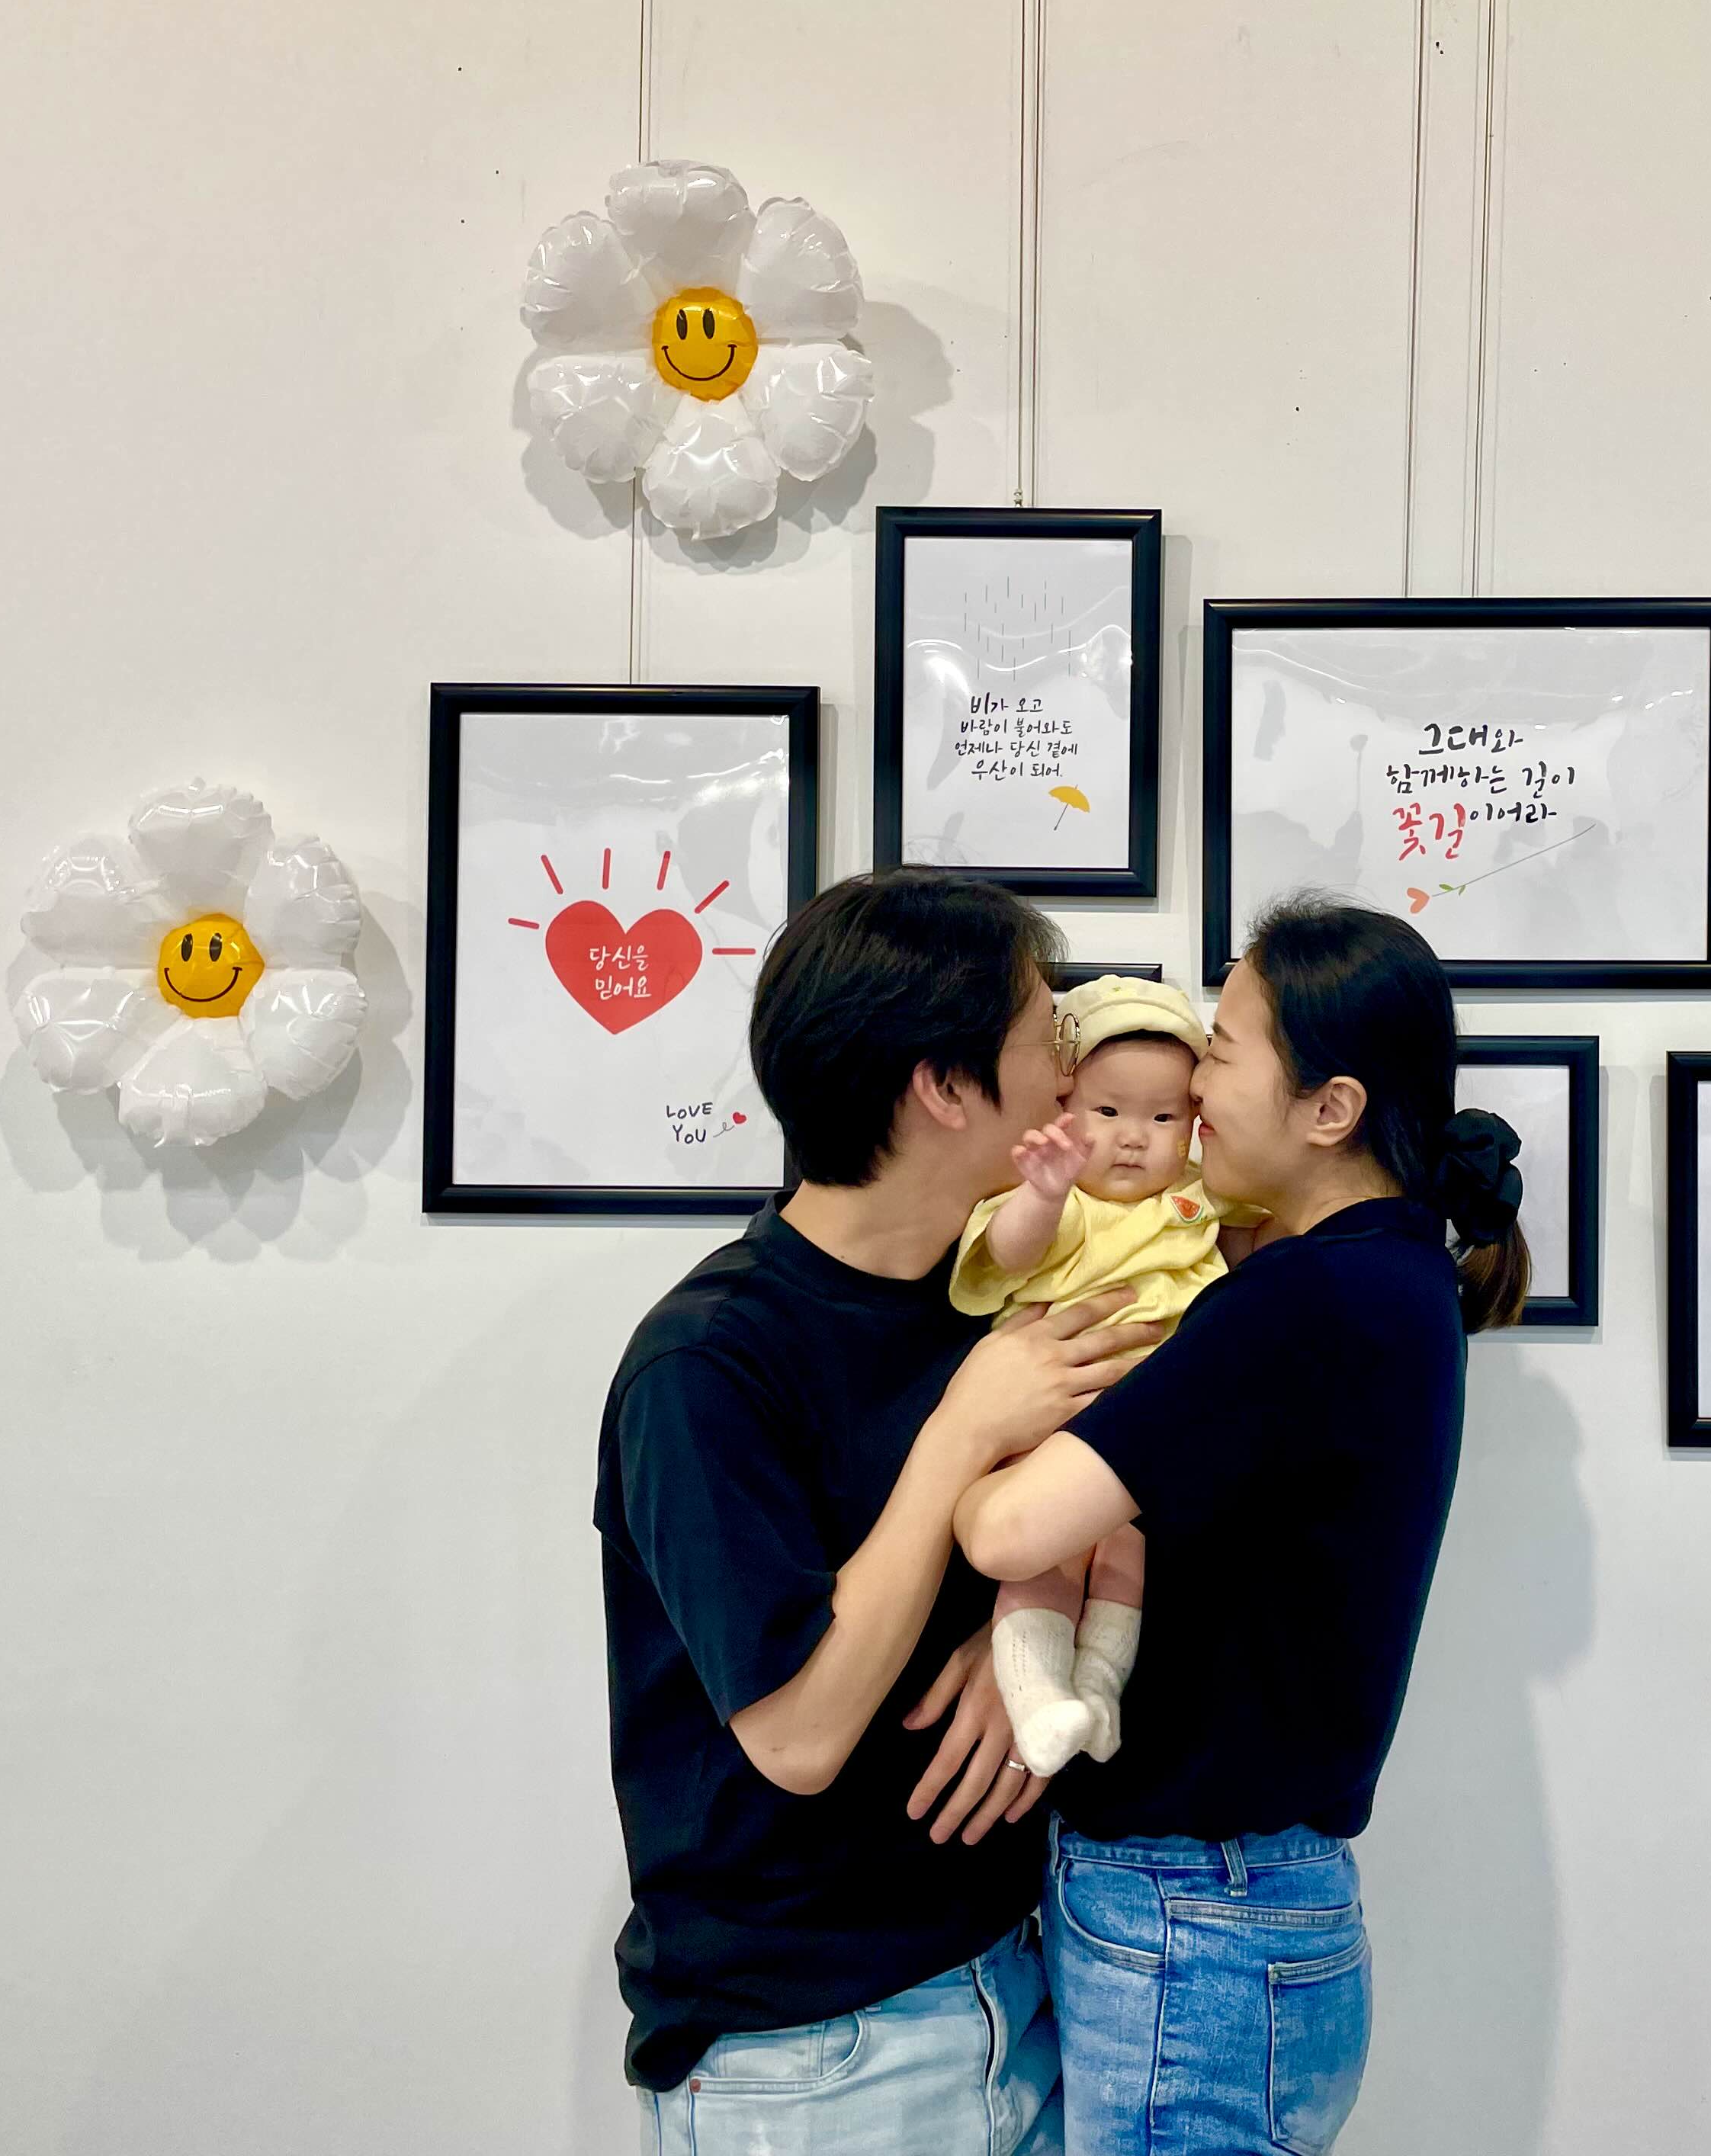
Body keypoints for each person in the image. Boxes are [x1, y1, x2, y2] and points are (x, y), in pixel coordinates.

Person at [595, 869, 1164, 2155]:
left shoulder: (1003, 1285)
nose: (1070, 1065)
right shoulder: (707, 1363)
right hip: (813, 2048)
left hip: (1022, 1969)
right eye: (1043, 1034)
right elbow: (797, 1734)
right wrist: (962, 1429)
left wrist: (1015, 1636)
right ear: (944, 1086)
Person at [952, 892, 1529, 2156]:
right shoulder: (1383, 1272)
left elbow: (1009, 1534)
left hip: (1194, 1911)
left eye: (1220, 1046)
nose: (1194, 1084)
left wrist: (971, 1426)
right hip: (1233, 1907)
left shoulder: (1308, 1297)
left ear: (1330, 1107)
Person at [950, 976, 1262, 1781]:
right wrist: (1045, 1191)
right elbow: (1005, 1254)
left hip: (1147, 1440)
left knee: (1125, 1557)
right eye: (1108, 1111)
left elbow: (1258, 1232)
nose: (1133, 1139)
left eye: (1163, 1118)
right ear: (1064, 1107)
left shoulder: (1195, 1196)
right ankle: (1038, 1697)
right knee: (1047, 1558)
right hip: (1056, 1417)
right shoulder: (1054, 1201)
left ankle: (1097, 1689)